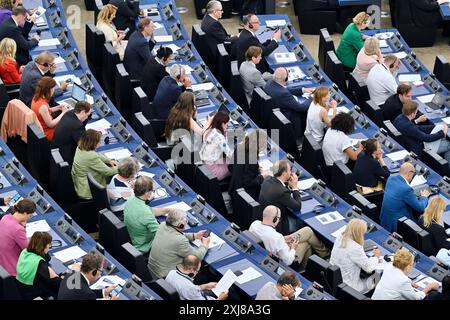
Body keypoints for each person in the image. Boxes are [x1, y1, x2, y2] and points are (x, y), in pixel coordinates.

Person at [249, 205, 329, 267]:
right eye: (279, 219)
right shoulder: (277, 237)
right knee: (306, 244)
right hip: (284, 260)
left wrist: (284, 239)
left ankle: (325, 254)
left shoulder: (254, 224)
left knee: (307, 230)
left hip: (270, 249)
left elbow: (268, 238)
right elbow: (288, 261)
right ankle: (304, 270)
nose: (279, 221)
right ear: (275, 219)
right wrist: (293, 248)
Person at [148, 209, 210, 279]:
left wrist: (195, 236)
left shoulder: (162, 225)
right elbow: (197, 257)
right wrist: (205, 244)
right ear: (180, 225)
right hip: (165, 276)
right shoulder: (180, 241)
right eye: (186, 221)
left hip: (152, 270)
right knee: (204, 273)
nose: (186, 222)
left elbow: (177, 234)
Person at [330, 219, 382, 294]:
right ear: (358, 234)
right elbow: (368, 268)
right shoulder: (355, 248)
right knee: (377, 277)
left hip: (335, 279)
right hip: (350, 286)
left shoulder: (340, 237)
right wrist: (376, 257)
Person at [123, 176, 171, 255]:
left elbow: (149, 211)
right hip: (144, 246)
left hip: (134, 237)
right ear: (147, 193)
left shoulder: (131, 199)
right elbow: (161, 234)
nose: (152, 192)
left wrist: (168, 210)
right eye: (152, 190)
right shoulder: (145, 213)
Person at [263, 67, 315, 139]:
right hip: (285, 116)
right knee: (305, 113)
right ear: (286, 79)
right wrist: (312, 98)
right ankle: (299, 137)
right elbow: (301, 108)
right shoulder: (283, 94)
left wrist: (303, 90)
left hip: (271, 115)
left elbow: (285, 89)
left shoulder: (270, 82)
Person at [380, 162, 430, 232]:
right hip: (397, 224)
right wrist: (424, 197)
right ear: (409, 173)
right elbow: (420, 208)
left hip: (385, 219)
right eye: (413, 174)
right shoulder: (406, 189)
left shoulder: (391, 178)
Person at [372, 248, 439, 300]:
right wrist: (429, 287)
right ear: (407, 267)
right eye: (412, 264)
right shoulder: (403, 281)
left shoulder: (389, 264)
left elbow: (395, 280)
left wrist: (408, 284)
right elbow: (416, 298)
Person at [71, 129, 118, 199]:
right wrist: (120, 167)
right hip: (88, 191)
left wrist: (109, 160)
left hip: (79, 183)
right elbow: (109, 172)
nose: (100, 143)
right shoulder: (91, 156)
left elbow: (96, 155)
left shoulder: (80, 147)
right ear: (93, 143)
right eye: (99, 142)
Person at [258, 160, 301, 235]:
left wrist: (288, 185)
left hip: (265, 219)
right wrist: (294, 187)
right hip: (279, 226)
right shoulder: (282, 192)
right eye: (289, 170)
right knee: (301, 223)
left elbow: (279, 188)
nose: (291, 172)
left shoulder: (267, 179)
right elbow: (297, 206)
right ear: (284, 174)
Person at [15, 232, 61, 300]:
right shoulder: (40, 264)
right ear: (43, 246)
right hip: (36, 293)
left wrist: (43, 250)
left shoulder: (24, 252)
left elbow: (47, 258)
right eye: (49, 244)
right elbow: (58, 283)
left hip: (23, 289)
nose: (50, 246)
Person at [229, 129, 269, 201]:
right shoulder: (252, 159)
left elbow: (230, 167)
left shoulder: (238, 147)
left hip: (233, 189)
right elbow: (248, 182)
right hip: (245, 196)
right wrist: (262, 177)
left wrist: (254, 169)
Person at [0, 198, 34, 276]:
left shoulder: (5, 218)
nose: (29, 218)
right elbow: (27, 249)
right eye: (30, 216)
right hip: (10, 268)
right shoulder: (18, 229)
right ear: (25, 213)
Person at [51, 101, 92, 165]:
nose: (87, 117)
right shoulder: (77, 126)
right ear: (82, 112)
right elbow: (85, 146)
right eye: (88, 115)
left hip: (55, 150)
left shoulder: (69, 113)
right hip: (65, 157)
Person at [30, 76, 68, 141]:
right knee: (69, 127)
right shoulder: (43, 106)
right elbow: (51, 124)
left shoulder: (36, 96)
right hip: (47, 132)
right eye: (53, 88)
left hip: (40, 125)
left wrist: (57, 107)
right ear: (48, 90)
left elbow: (43, 112)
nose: (54, 90)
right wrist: (63, 113)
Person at [199, 110, 233, 181]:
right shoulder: (219, 137)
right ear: (223, 124)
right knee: (236, 165)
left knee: (226, 160)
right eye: (227, 124)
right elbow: (230, 154)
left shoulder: (209, 129)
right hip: (213, 171)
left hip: (205, 164)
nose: (227, 126)